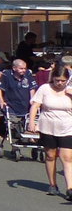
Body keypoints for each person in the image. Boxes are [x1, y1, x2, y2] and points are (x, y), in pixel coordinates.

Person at [27, 64, 72, 199]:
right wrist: (32, 122)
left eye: (63, 81)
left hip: (67, 126)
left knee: (68, 157)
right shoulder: (45, 89)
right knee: (51, 156)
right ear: (53, 78)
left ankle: (70, 187)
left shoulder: (69, 91)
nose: (59, 83)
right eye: (57, 80)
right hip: (48, 125)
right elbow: (35, 105)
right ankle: (52, 184)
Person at [0, 58, 38, 145]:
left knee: (28, 121)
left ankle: (30, 138)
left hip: (25, 104)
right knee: (14, 123)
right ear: (14, 68)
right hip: (12, 104)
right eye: (21, 68)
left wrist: (32, 99)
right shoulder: (7, 74)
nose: (23, 70)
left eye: (24, 68)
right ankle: (17, 139)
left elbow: (32, 88)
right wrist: (1, 100)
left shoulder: (28, 74)